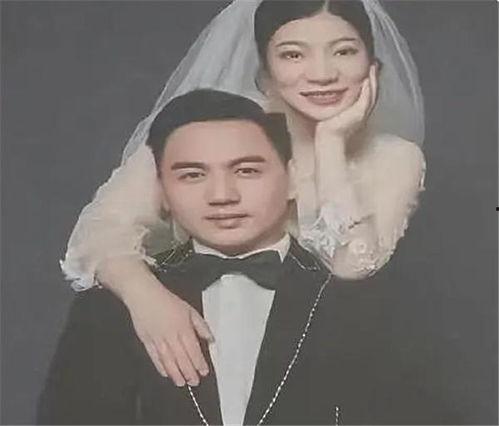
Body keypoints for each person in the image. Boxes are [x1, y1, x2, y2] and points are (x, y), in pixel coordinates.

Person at [60, 0, 427, 386]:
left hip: (315, 369)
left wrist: (330, 142)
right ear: (265, 71)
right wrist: (148, 299)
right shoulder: (206, 129)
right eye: (293, 54)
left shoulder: (395, 158)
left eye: (344, 51)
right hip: (184, 345)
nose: (322, 74)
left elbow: (351, 265)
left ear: (372, 64)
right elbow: (97, 234)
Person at [39, 90, 450, 425]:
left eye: (247, 171)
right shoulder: (109, 309)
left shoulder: (362, 303)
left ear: (293, 180)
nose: (222, 195)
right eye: (192, 175)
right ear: (161, 192)